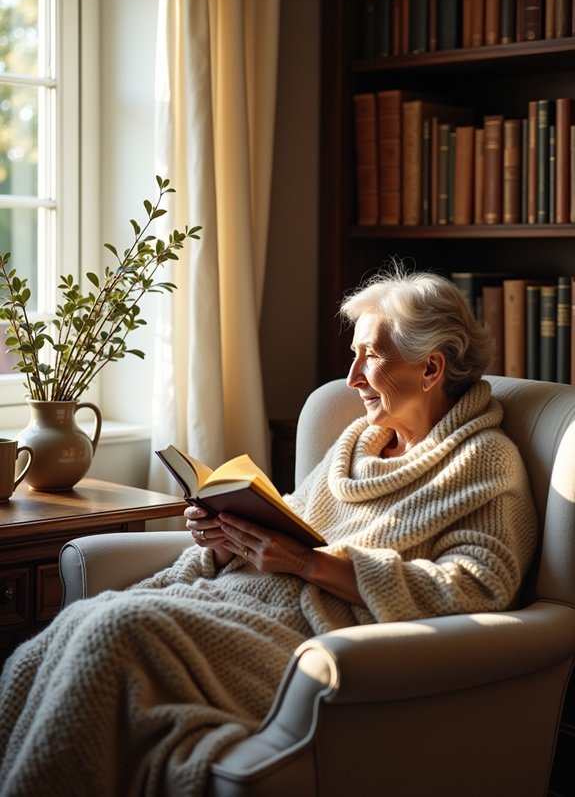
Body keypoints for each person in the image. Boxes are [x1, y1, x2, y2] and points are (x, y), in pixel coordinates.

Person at [0, 267, 538, 797]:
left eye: (369, 356)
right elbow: (297, 522)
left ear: (431, 368)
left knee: (115, 630)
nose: (351, 378)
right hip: (237, 600)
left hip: (309, 639)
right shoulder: (358, 441)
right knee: (53, 641)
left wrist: (309, 564)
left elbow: (477, 589)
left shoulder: (486, 462)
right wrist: (224, 536)